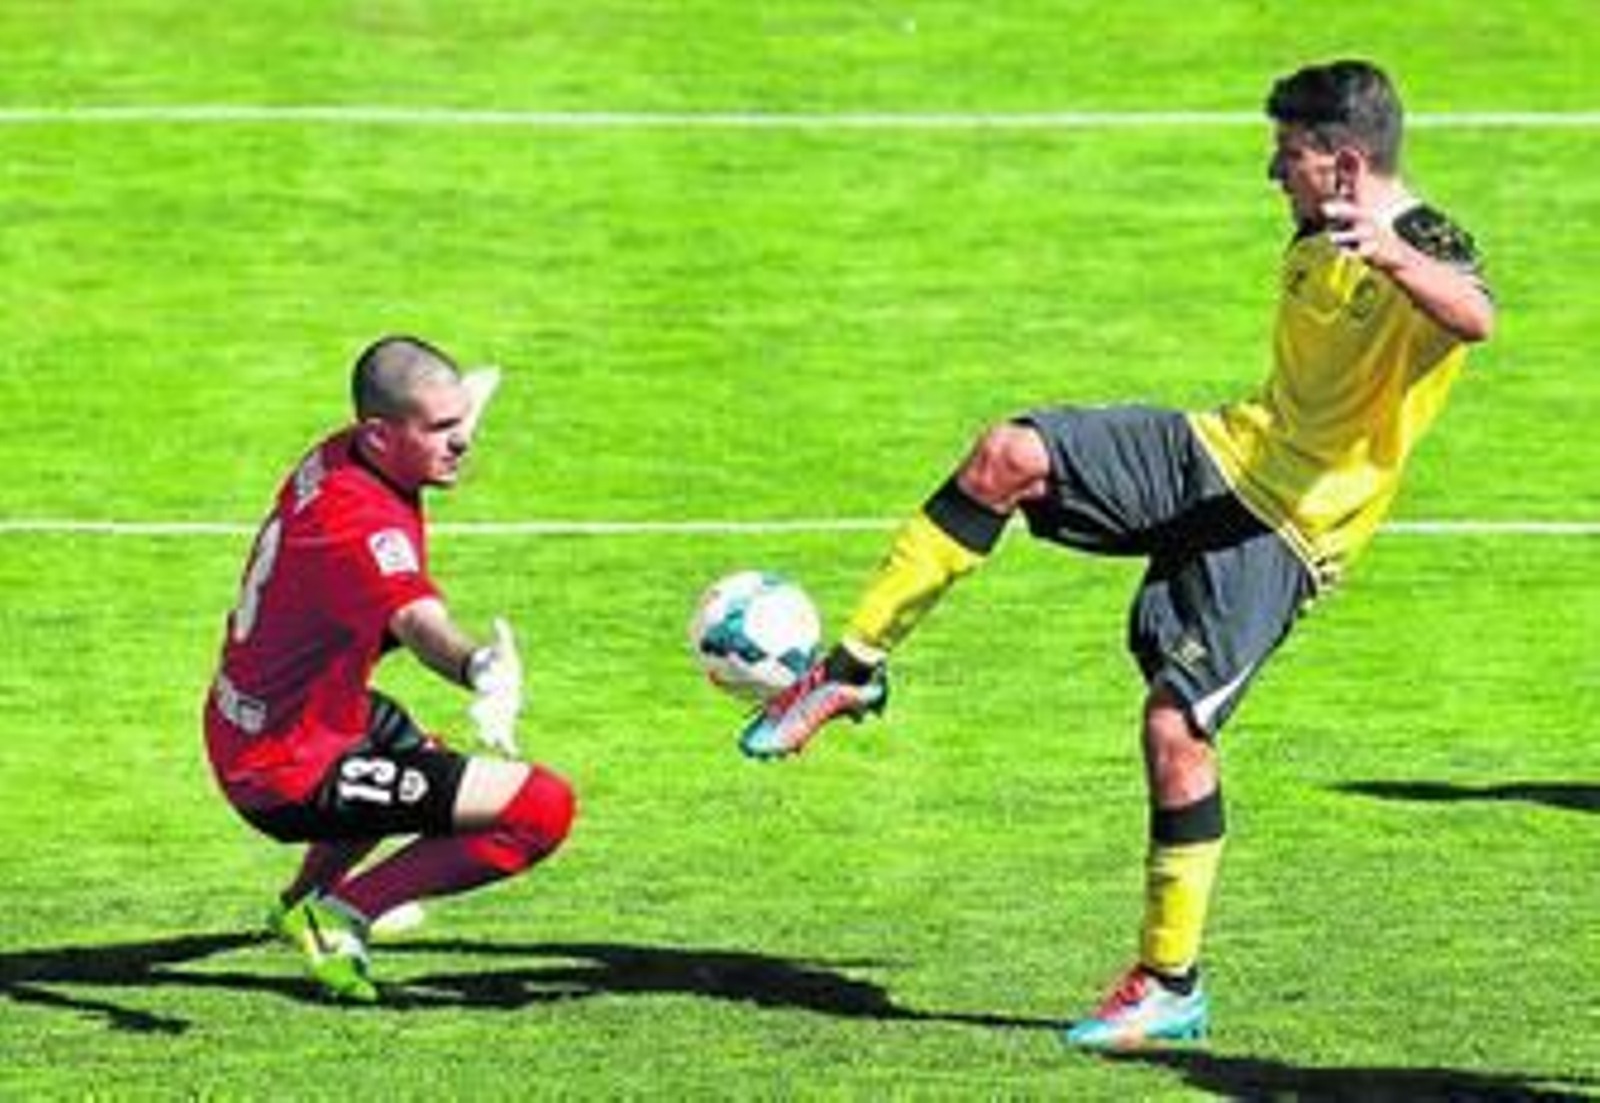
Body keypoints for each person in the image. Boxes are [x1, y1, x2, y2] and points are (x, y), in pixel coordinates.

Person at [739, 59, 1494, 1046]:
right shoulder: (1321, 217)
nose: (1272, 171)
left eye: (1287, 153)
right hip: (1230, 447)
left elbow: (1473, 312)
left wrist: (1391, 255)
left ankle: (1169, 979)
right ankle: (847, 672)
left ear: (1344, 162)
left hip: (1286, 526)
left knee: (1175, 731)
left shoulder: (1422, 237)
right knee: (1005, 456)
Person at [203, 335, 576, 1003]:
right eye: (441, 428)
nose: (462, 442)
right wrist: (479, 666)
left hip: (279, 715)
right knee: (541, 808)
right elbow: (416, 619)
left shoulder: (343, 453)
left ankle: (302, 901)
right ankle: (340, 915)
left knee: (404, 742)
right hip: (284, 772)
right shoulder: (363, 525)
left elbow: (422, 421)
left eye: (461, 421)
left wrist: (458, 406)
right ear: (380, 435)